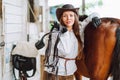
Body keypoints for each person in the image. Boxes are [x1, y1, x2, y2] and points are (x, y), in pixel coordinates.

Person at [43, 4, 101, 80]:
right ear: (61, 18)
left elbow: (93, 15)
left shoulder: (79, 28)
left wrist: (95, 17)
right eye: (65, 16)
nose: (68, 18)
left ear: (75, 17)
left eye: (71, 15)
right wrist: (65, 33)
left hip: (70, 72)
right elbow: (66, 51)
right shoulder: (56, 32)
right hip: (55, 73)